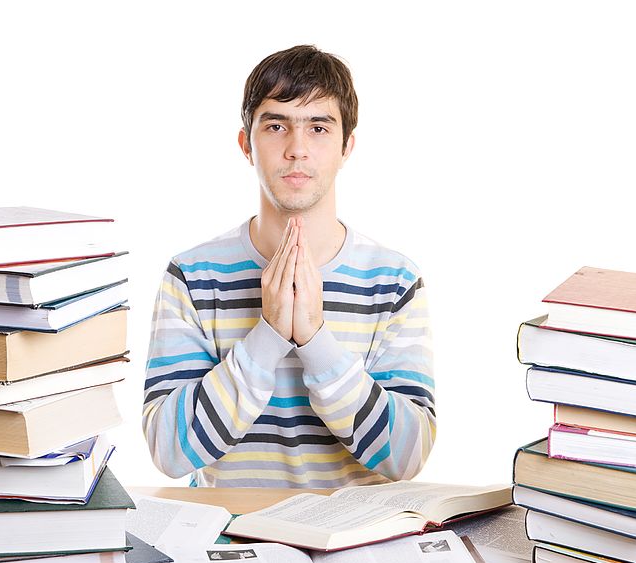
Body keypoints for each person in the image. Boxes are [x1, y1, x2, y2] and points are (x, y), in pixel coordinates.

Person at [143, 45, 435, 487]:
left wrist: (316, 339)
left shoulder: (394, 281)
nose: (297, 149)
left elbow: (407, 456)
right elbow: (169, 450)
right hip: (233, 543)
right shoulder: (191, 275)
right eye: (276, 125)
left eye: (319, 127)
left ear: (345, 147)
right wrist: (269, 334)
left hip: (354, 543)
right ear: (247, 144)